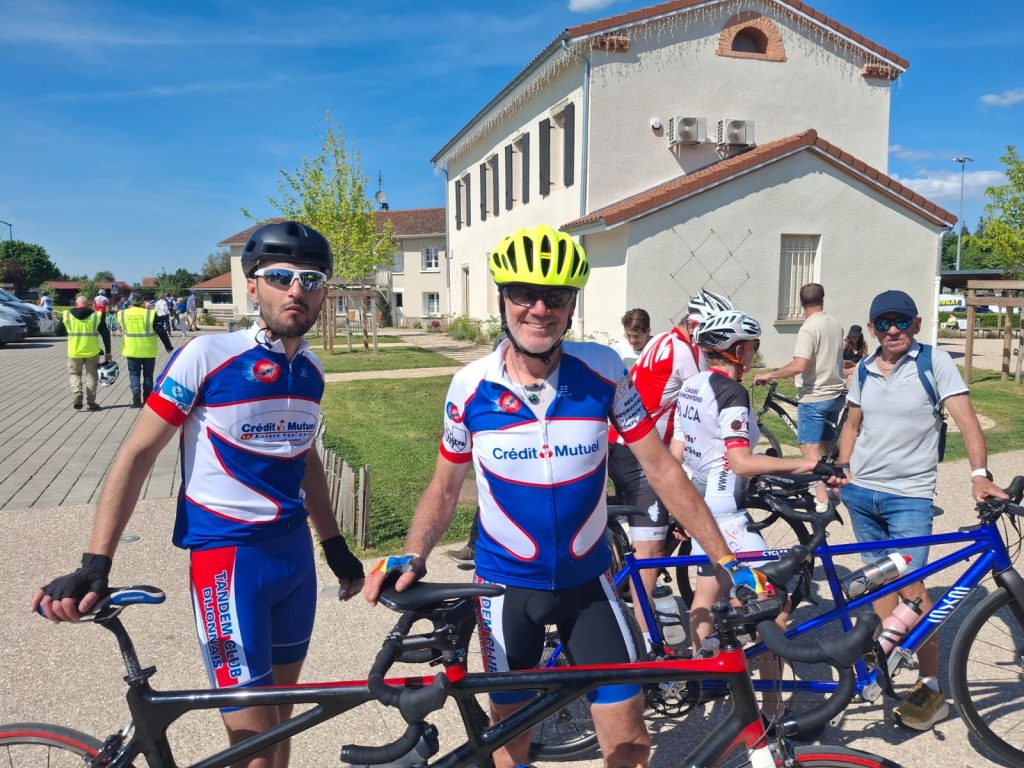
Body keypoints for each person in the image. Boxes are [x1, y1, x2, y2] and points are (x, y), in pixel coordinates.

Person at [363, 225, 765, 768]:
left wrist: (725, 557)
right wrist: (413, 553)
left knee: (630, 742)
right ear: (503, 299)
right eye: (523, 293)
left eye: (555, 296)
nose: (539, 309)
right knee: (511, 745)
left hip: (587, 584)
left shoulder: (603, 369)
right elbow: (444, 485)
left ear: (572, 304)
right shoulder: (470, 386)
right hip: (505, 588)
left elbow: (662, 467)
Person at [34, 221, 366, 768]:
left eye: (311, 279)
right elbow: (137, 455)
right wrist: (96, 561)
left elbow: (303, 456)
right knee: (253, 746)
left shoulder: (311, 367)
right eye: (279, 276)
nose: (296, 290)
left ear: (324, 290)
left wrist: (333, 545)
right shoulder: (206, 355)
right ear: (252, 285)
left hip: (293, 561)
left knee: (282, 726)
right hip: (229, 562)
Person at [837, 289, 1006, 732]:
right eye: (884, 322)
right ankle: (888, 663)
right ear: (872, 328)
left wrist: (979, 475)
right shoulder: (864, 369)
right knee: (879, 586)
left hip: (909, 497)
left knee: (914, 591)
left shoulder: (934, 362)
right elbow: (852, 425)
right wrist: (842, 470)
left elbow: (967, 421)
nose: (893, 329)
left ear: (915, 323)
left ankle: (931, 689)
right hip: (862, 496)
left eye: (902, 321)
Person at [668, 309, 835, 716]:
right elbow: (740, 462)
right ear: (737, 349)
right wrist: (806, 465)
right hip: (726, 514)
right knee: (773, 608)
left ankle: (708, 675)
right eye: (753, 346)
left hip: (699, 507)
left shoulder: (691, 386)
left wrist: (680, 509)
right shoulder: (731, 393)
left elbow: (677, 452)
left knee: (706, 595)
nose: (754, 353)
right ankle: (772, 712)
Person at [608, 288, 734, 647]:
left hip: (624, 447)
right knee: (650, 553)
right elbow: (704, 400)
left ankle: (639, 611)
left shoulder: (664, 339)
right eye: (711, 333)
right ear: (694, 326)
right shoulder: (685, 352)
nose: (714, 343)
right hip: (638, 452)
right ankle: (643, 642)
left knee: (653, 542)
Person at [753, 283, 845, 507]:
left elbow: (800, 365)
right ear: (823, 298)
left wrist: (770, 374)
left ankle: (821, 501)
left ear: (801, 302)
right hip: (835, 394)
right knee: (827, 445)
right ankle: (839, 484)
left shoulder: (808, 327)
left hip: (815, 396)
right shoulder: (835, 323)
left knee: (809, 451)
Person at [118, 294, 172, 407]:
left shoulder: (122, 314)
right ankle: (147, 399)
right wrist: (168, 346)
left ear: (130, 302)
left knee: (134, 373)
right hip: (148, 350)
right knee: (148, 376)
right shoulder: (150, 314)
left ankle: (136, 390)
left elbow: (121, 327)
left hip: (131, 349)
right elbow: (160, 330)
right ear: (142, 302)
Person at [63, 294, 112, 411]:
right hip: (92, 352)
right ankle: (91, 402)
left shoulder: (67, 314)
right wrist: (108, 352)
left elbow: (58, 331)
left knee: (75, 374)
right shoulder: (96, 315)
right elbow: (105, 333)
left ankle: (77, 392)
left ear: (76, 304)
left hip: (74, 352)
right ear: (89, 304)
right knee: (92, 377)